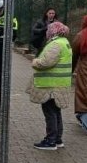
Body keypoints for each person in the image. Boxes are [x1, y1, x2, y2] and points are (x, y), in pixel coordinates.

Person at [28, 21, 73, 150]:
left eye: (49, 30)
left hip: (51, 85)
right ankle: (58, 138)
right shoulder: (64, 42)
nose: (47, 32)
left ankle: (50, 140)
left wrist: (35, 61)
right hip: (59, 84)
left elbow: (46, 62)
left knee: (50, 112)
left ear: (53, 31)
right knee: (56, 111)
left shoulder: (56, 44)